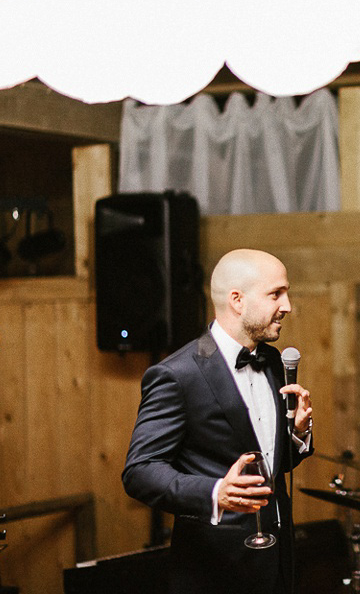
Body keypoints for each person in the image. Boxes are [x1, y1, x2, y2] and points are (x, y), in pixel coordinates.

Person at [122, 249, 314, 594]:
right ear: (237, 300)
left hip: (278, 566)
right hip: (213, 571)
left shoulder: (271, 361)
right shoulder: (177, 375)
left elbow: (270, 464)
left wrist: (296, 435)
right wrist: (215, 492)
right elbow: (140, 471)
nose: (287, 305)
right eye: (276, 294)